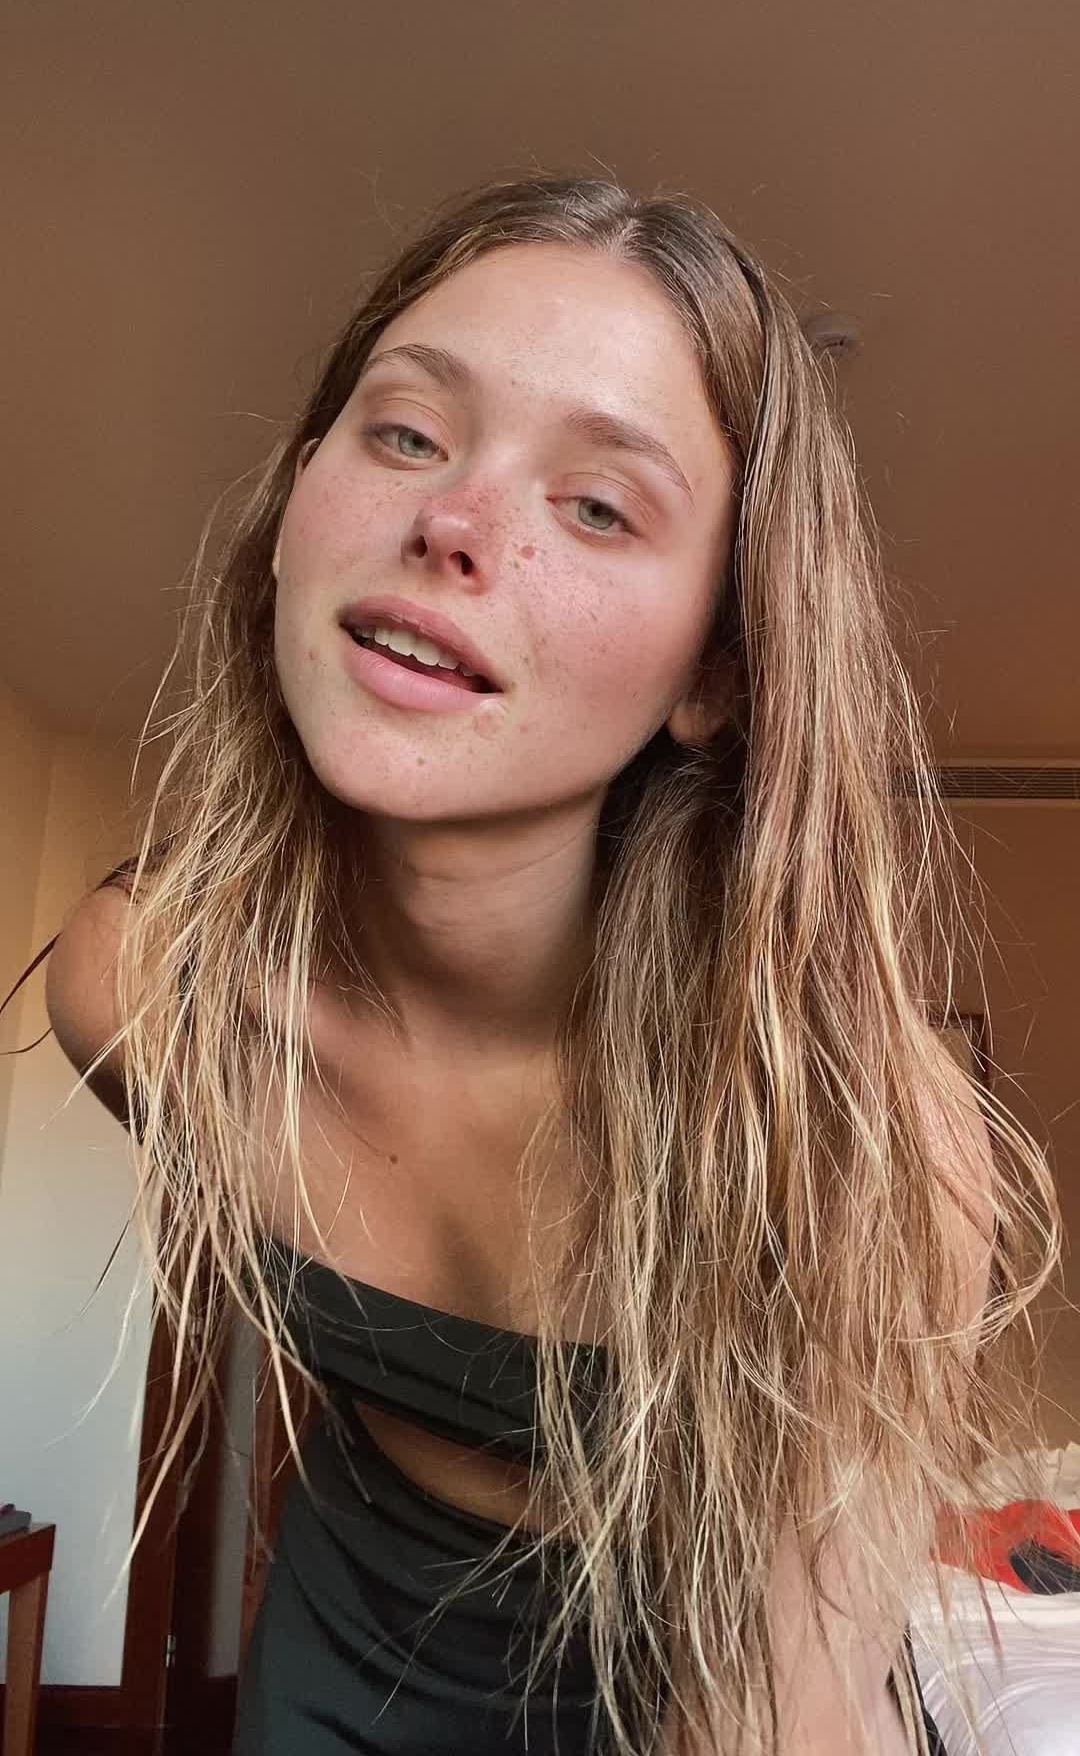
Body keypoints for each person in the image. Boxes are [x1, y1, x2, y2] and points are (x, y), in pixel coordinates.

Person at [14, 174, 1060, 1754]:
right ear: (295, 508)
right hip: (343, 1642)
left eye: (599, 507)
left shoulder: (867, 1149)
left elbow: (786, 1703)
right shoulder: (142, 989)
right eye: (405, 433)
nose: (453, 523)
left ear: (716, 673)